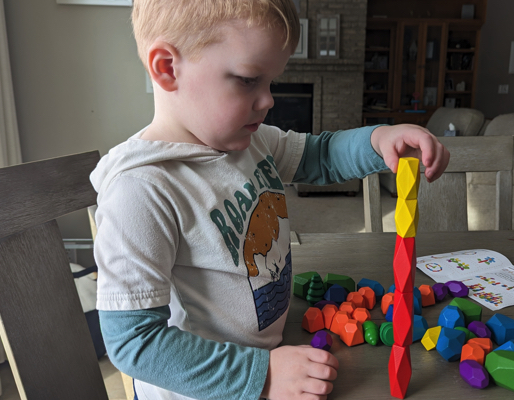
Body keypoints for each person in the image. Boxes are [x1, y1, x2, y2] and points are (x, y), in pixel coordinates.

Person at [90, 1, 450, 399]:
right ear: (167, 67)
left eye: (271, 82)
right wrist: (260, 375)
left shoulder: (251, 141)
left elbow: (320, 157)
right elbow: (135, 342)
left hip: (271, 349)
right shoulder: (141, 190)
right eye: (248, 80)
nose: (268, 100)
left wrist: (378, 140)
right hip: (209, 386)